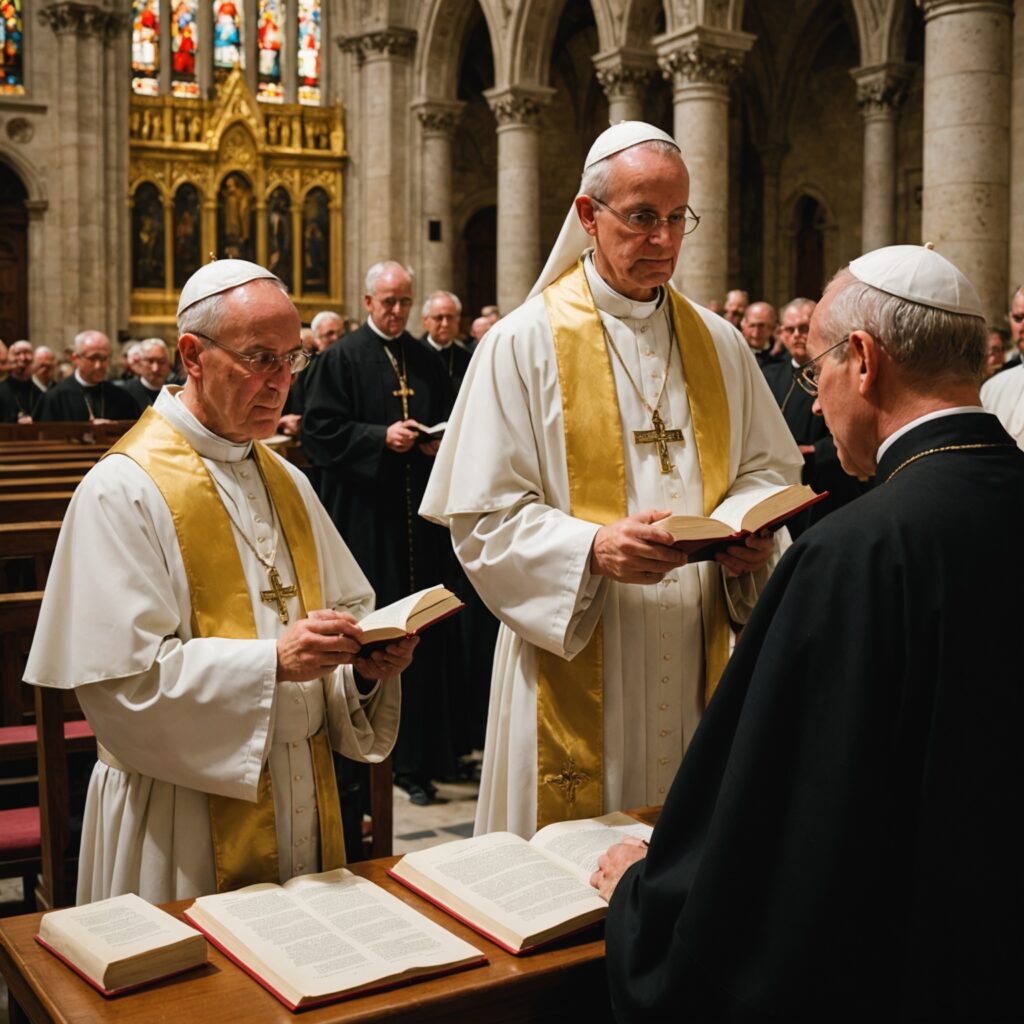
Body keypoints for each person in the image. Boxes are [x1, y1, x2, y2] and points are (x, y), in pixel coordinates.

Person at [594, 244, 1024, 1021]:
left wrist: (647, 896)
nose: (816, 405)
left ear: (863, 360)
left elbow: (787, 825)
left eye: (816, 369)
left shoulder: (855, 555)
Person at [421, 121, 802, 838]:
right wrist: (591, 549)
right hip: (576, 646)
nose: (663, 239)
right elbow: (484, 519)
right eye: (642, 216)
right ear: (588, 216)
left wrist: (749, 534)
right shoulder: (522, 343)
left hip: (699, 650)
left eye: (677, 218)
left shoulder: (720, 343)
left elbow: (765, 471)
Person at [24, 260, 416, 904]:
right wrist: (273, 663)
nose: (282, 382)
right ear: (192, 356)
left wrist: (363, 666)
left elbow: (343, 616)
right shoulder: (122, 490)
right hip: (177, 817)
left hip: (302, 792)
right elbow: (122, 690)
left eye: (293, 359)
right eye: (260, 359)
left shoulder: (288, 481)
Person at [302, 261, 458, 807]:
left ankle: (422, 757)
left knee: (425, 635)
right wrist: (377, 437)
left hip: (420, 520)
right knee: (378, 637)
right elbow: (319, 432)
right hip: (368, 523)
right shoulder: (340, 358)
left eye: (404, 302)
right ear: (368, 302)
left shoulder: (425, 359)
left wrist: (436, 442)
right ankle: (372, 758)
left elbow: (452, 420)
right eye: (388, 302)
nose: (397, 311)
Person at [760, 297, 869, 534]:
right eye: (790, 329)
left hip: (828, 480)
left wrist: (816, 450)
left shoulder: (840, 373)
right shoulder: (768, 375)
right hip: (780, 484)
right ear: (781, 333)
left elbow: (859, 426)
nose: (797, 335)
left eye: (804, 328)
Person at [37, 331, 141, 422]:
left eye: (104, 358)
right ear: (75, 358)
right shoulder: (54, 398)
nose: (98, 366)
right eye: (92, 358)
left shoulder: (122, 397)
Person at [420, 290, 471, 393]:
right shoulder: (414, 353)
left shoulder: (467, 358)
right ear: (425, 321)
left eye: (450, 317)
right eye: (439, 318)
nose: (445, 324)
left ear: (458, 320)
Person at [120, 337, 172, 409]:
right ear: (140, 362)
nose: (155, 369)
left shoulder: (175, 392)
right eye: (150, 361)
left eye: (161, 361)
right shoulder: (125, 393)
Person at [0, 340, 41, 422]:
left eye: (27, 353)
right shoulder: (1, 390)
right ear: (9, 358)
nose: (23, 358)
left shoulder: (39, 393)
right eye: (17, 353)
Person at [740, 300, 782, 367]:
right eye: (752, 326)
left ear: (773, 327)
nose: (756, 333)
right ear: (743, 325)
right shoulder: (734, 351)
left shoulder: (782, 355)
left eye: (761, 326)